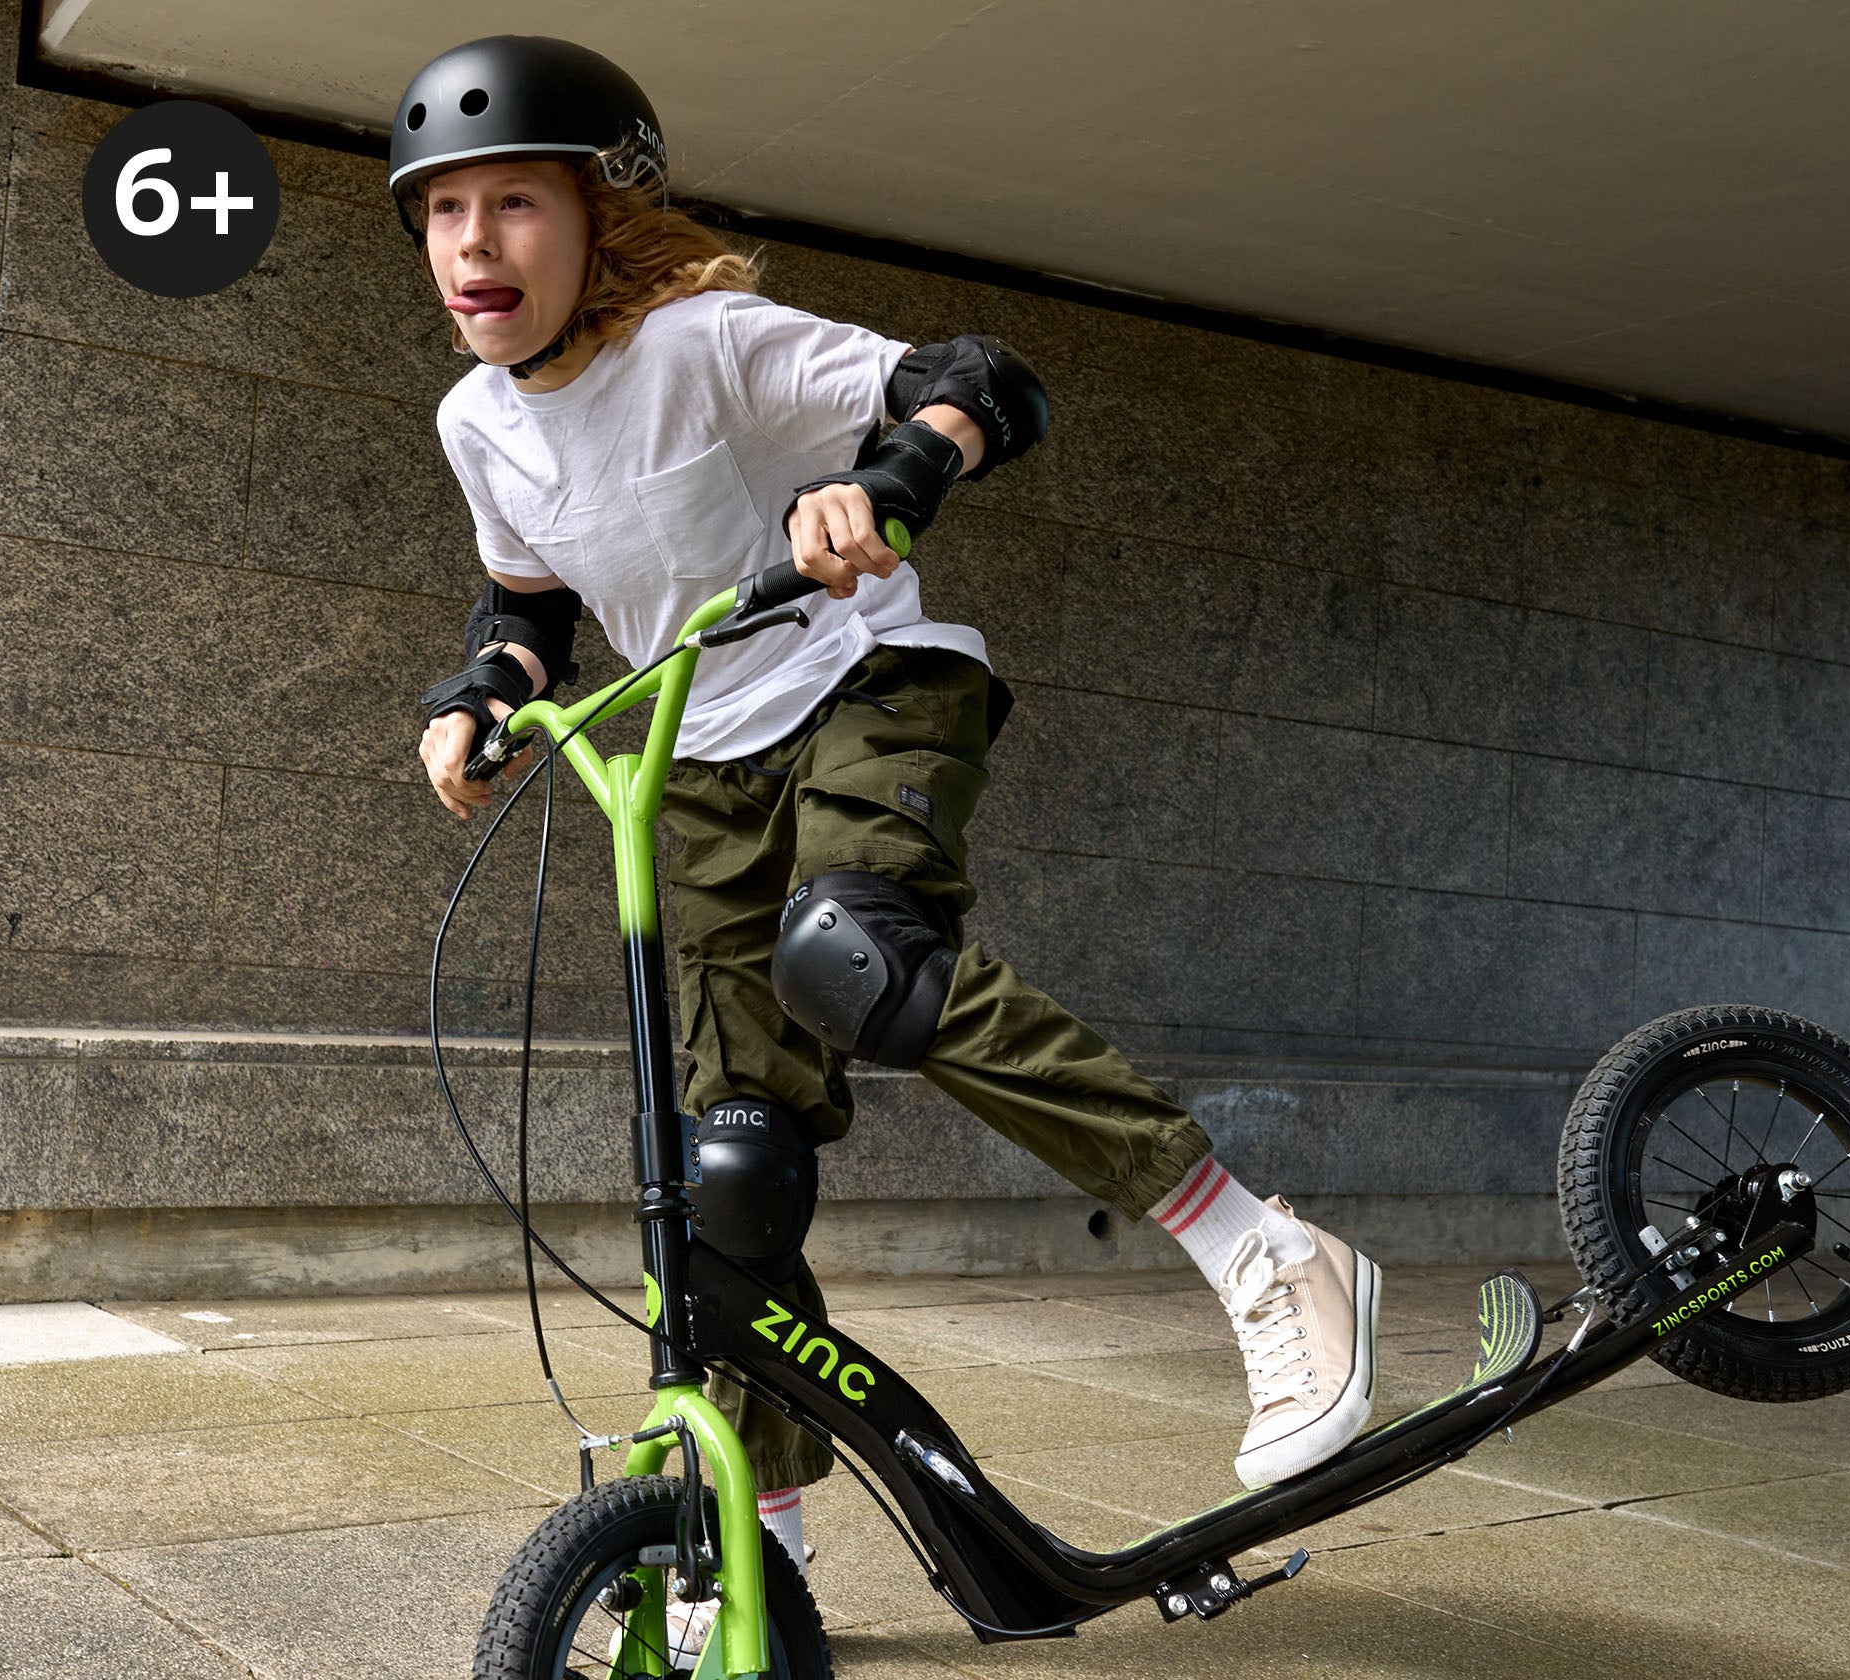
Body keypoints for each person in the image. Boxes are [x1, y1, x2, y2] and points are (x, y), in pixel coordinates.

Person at [391, 36, 1382, 1583]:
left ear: (598, 212)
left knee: (855, 956)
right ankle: (760, 1547)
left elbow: (977, 382)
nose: (475, 245)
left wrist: (890, 482)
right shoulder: (478, 424)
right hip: (696, 768)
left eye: (515, 202)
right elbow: (529, 603)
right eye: (446, 210)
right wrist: (483, 691)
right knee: (728, 1176)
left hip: (863, 679)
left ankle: (1265, 1247)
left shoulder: (705, 345)